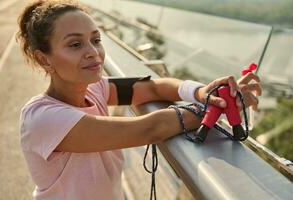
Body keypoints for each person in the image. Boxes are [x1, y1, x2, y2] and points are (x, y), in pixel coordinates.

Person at [17, 0, 262, 199]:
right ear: (44, 59)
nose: (93, 51)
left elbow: (154, 88)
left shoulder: (96, 90)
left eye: (96, 40)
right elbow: (151, 128)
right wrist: (215, 106)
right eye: (75, 44)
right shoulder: (42, 119)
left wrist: (201, 92)